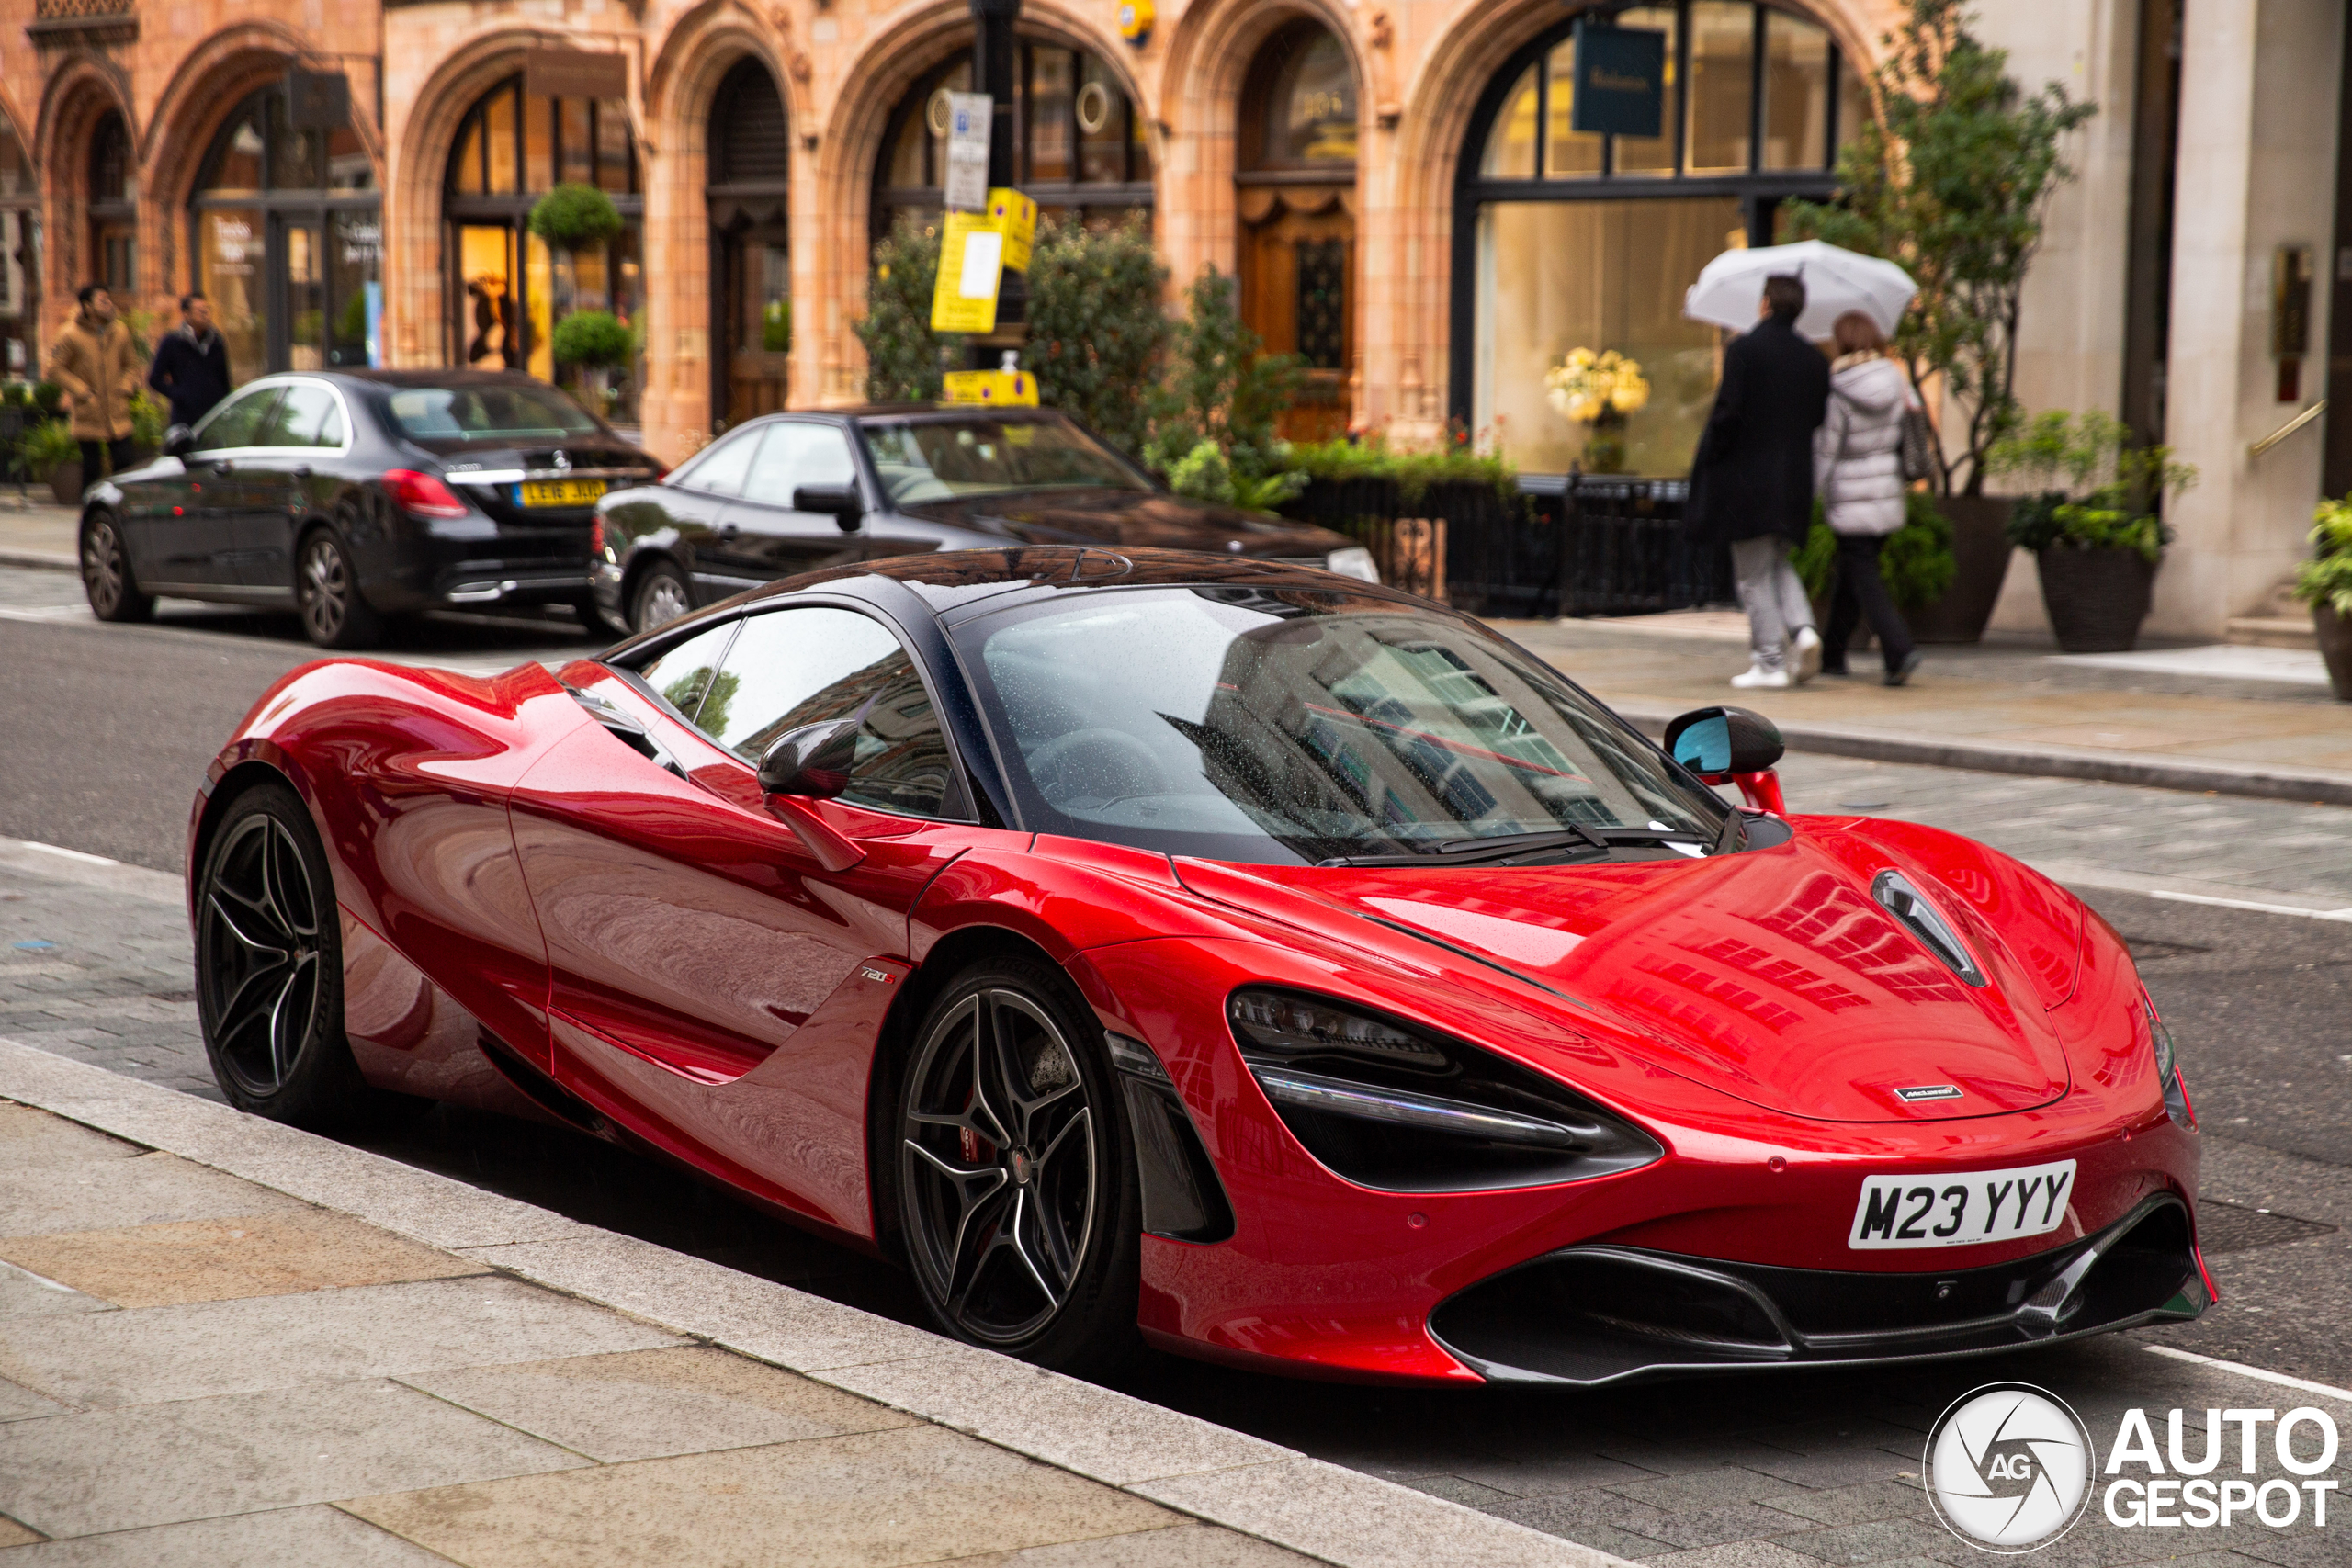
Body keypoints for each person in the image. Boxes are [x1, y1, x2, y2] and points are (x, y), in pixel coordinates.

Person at [1687, 274, 1829, 690]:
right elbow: (1818, 420)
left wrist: (1711, 459)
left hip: (1748, 483)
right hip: (1795, 481)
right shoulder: (1814, 360)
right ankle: (1803, 631)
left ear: (1766, 303)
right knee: (1778, 561)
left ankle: (1769, 661)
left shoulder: (1744, 350)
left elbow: (1727, 415)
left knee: (1751, 574)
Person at [1814, 311, 1923, 686]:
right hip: (1887, 490)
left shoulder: (1838, 388)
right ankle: (1833, 653)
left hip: (1850, 495)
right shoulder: (1895, 378)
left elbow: (1827, 449)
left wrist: (1811, 491)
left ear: (1840, 342)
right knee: (1852, 574)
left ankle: (1898, 650)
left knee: (1864, 577)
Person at [46, 283, 141, 482]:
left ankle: (119, 509)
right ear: (87, 307)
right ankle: (91, 509)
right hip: (89, 412)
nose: (109, 304)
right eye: (102, 301)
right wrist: (83, 392)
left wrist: (125, 385)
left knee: (125, 463)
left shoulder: (120, 331)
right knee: (92, 468)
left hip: (117, 411)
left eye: (109, 300)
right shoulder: (69, 334)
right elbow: (54, 369)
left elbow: (132, 364)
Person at [146, 291, 232, 430]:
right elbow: (155, 379)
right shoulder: (173, 342)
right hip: (185, 420)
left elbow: (225, 380)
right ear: (186, 314)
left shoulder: (217, 341)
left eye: (207, 309)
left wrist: (225, 407)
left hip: (213, 420)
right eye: (200, 310)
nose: (205, 314)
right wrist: (180, 395)